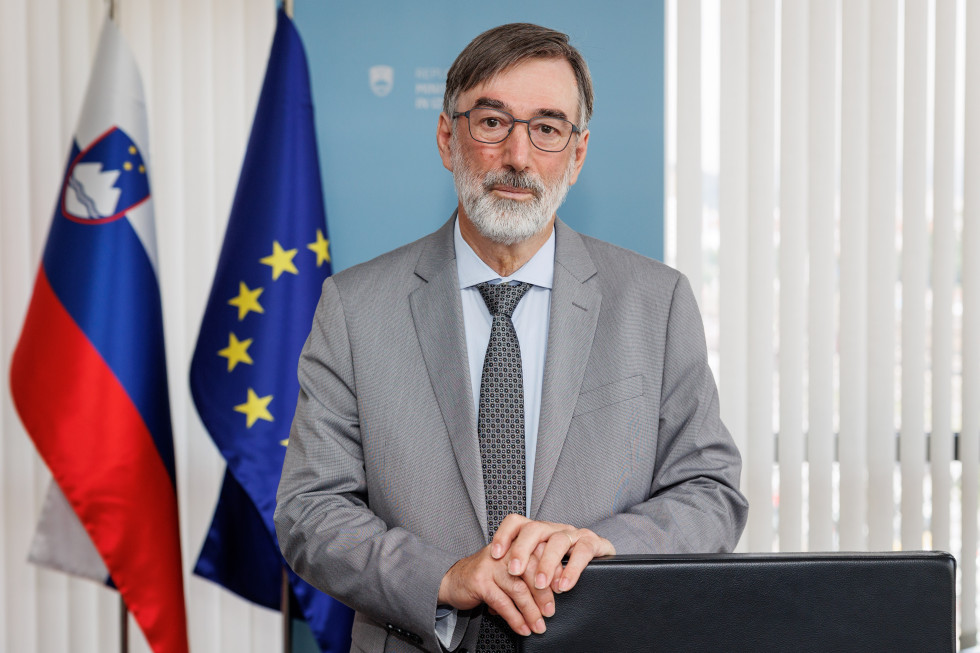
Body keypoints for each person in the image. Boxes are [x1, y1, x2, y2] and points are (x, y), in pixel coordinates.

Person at [275, 22, 747, 653]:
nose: (518, 157)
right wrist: (444, 577)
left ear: (577, 154)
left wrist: (609, 547)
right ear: (448, 139)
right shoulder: (355, 308)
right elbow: (310, 509)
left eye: (547, 128)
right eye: (493, 122)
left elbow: (711, 491)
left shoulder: (655, 303)